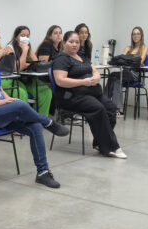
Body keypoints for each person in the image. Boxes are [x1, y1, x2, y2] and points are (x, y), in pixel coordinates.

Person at [0, 25, 69, 189]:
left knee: (34, 127)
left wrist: (7, 99)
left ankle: (43, 172)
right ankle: (48, 122)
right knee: (20, 104)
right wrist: (0, 103)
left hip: (1, 112)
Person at [52, 30, 126, 159]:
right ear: (64, 43)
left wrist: (96, 77)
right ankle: (111, 147)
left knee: (111, 108)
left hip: (91, 92)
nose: (74, 44)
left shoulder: (82, 55)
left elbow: (94, 70)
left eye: (77, 42)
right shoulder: (61, 59)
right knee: (98, 109)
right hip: (71, 96)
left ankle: (100, 142)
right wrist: (83, 82)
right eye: (71, 42)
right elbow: (60, 81)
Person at [106, 26, 148, 112]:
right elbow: (121, 60)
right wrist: (130, 60)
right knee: (116, 80)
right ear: (131, 36)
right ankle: (118, 108)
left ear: (141, 36)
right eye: (134, 34)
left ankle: (106, 102)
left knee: (114, 75)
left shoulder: (144, 48)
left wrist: (127, 60)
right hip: (125, 72)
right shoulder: (128, 48)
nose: (136, 36)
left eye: (138, 34)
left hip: (135, 74)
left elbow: (140, 62)